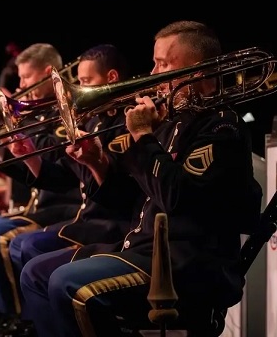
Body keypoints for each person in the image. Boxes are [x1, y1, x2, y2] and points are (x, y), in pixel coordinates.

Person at [17, 20, 263, 336]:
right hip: (139, 249)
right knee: (35, 273)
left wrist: (144, 137)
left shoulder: (222, 128)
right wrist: (97, 163)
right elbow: (126, 201)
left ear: (197, 72)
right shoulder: (169, 123)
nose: (152, 75)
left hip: (182, 266)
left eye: (162, 64)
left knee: (67, 284)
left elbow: (179, 200)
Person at [6, 43, 134, 321]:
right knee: (26, 249)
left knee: (29, 249)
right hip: (90, 221)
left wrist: (94, 162)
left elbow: (119, 195)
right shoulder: (95, 121)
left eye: (86, 82)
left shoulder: (127, 121)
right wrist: (30, 156)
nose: (78, 88)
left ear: (111, 78)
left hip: (113, 226)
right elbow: (62, 176)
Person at [0, 43, 82, 325]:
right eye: (19, 78)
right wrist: (0, 150)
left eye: (26, 78)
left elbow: (52, 152)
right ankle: (13, 313)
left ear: (47, 73)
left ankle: (21, 317)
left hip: (66, 205)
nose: (20, 85)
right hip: (44, 203)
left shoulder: (63, 112)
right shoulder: (38, 115)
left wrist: (15, 135)